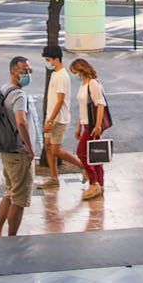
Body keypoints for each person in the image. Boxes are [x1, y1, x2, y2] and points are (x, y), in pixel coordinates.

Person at [0, 56, 36, 237]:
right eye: (24, 71)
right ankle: (11, 238)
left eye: (29, 71)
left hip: (7, 151)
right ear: (13, 72)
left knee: (9, 193)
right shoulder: (18, 94)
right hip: (19, 153)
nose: (27, 74)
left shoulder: (3, 90)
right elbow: (21, 121)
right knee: (19, 199)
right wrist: (29, 147)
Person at [36, 44, 86, 189]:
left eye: (48, 60)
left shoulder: (62, 76)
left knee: (56, 150)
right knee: (47, 146)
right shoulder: (55, 74)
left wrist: (50, 120)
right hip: (51, 118)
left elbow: (60, 100)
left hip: (58, 119)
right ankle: (53, 177)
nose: (47, 63)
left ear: (56, 59)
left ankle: (82, 166)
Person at [70, 57, 109, 202]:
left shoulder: (93, 84)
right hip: (86, 123)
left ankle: (94, 182)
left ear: (81, 70)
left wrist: (98, 125)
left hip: (92, 125)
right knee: (95, 155)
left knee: (82, 152)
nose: (75, 75)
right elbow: (83, 107)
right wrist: (78, 126)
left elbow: (100, 104)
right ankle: (100, 183)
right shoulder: (83, 84)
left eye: (75, 72)